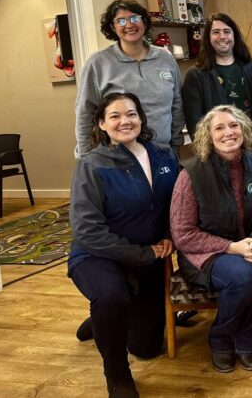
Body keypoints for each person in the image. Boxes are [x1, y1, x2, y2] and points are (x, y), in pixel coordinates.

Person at [69, 92, 179, 397]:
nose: (124, 121)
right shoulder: (91, 165)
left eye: (131, 114)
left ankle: (104, 319)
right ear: (102, 124)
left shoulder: (164, 155)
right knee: (110, 296)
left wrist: (170, 233)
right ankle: (116, 373)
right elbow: (86, 229)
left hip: (149, 259)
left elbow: (180, 204)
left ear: (141, 118)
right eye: (114, 116)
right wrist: (142, 254)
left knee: (146, 347)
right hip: (98, 256)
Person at [170, 105, 252, 373]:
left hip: (250, 241)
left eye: (234, 125)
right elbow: (183, 234)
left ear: (244, 129)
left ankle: (247, 336)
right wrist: (232, 247)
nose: (229, 132)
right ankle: (221, 338)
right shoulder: (190, 174)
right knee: (244, 276)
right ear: (208, 136)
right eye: (219, 128)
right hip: (207, 252)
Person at [75, 0, 183, 159]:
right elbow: (85, 112)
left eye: (134, 18)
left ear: (144, 22)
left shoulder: (165, 58)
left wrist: (175, 144)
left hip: (163, 154)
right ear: (112, 27)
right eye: (121, 21)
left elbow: (176, 104)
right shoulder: (98, 63)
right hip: (118, 158)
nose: (129, 25)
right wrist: (85, 157)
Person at [182, 13, 252, 151]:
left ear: (234, 36)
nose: (222, 36)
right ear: (208, 38)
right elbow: (194, 120)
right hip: (217, 150)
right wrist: (208, 148)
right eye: (216, 32)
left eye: (227, 31)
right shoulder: (195, 75)